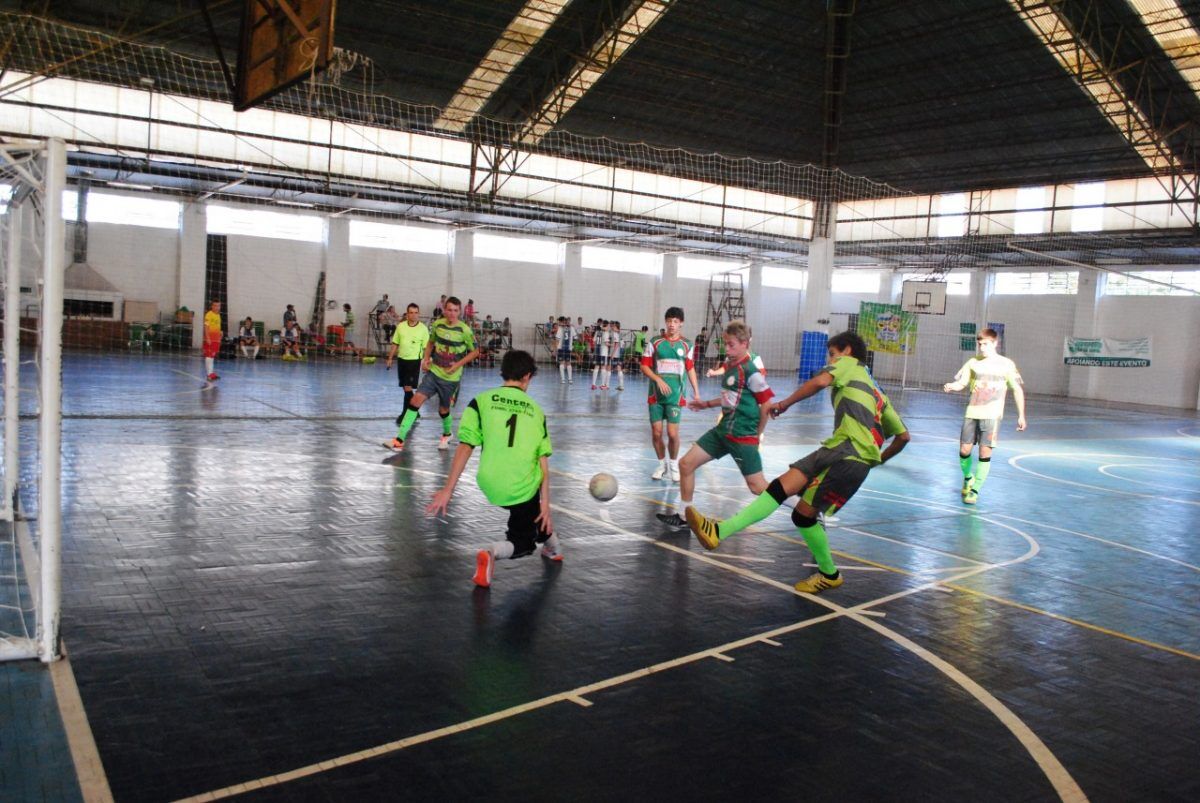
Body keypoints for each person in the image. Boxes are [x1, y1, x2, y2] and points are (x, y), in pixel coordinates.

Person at [686, 331, 910, 594]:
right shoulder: (878, 391)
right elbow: (903, 436)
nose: (831, 360)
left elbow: (819, 382)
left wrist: (785, 403)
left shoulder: (849, 364)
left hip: (847, 452)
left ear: (846, 350)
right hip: (839, 449)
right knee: (782, 489)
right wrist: (876, 461)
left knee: (802, 515)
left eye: (832, 354)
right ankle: (717, 532)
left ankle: (829, 573)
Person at [425, 350, 560, 588]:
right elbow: (543, 464)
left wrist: (448, 490)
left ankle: (554, 549)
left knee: (532, 516)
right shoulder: (537, 411)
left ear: (503, 372)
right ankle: (492, 552)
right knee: (525, 540)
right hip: (521, 487)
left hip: (489, 481)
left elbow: (465, 446)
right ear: (527, 377)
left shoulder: (480, 402)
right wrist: (546, 503)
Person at [657, 321, 772, 528]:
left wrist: (758, 434)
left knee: (757, 486)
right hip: (722, 432)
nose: (726, 349)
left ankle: (806, 508)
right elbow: (731, 398)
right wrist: (706, 404)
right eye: (725, 344)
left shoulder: (751, 371)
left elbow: (767, 405)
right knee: (686, 464)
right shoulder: (730, 366)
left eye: (731, 345)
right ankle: (684, 516)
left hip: (742, 436)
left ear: (745, 343)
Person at [943, 328, 1026, 505]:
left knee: (984, 453)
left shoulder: (1007, 364)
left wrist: (1021, 415)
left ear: (996, 343)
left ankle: (975, 490)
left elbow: (1017, 389)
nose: (982, 348)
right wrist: (952, 386)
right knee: (964, 450)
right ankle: (968, 477)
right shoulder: (973, 362)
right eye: (980, 344)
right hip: (972, 413)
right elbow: (962, 383)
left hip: (992, 415)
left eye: (986, 344)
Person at [386, 296, 478, 456]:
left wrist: (457, 365)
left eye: (456, 310)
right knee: (415, 400)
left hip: (451, 378)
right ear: (444, 310)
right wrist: (426, 358)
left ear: (459, 312)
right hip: (434, 373)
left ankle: (447, 434)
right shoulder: (437, 325)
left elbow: (476, 351)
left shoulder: (465, 330)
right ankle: (399, 440)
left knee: (443, 410)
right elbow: (430, 343)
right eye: (449, 310)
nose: (452, 313)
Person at [641, 307, 701, 481]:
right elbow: (644, 365)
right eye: (669, 321)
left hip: (676, 396)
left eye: (675, 321)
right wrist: (658, 380)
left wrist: (696, 393)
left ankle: (674, 465)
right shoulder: (655, 342)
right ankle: (662, 466)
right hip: (655, 396)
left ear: (681, 323)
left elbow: (690, 368)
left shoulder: (687, 345)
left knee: (673, 434)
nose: (671, 325)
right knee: (656, 433)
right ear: (665, 322)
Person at [386, 302, 430, 423]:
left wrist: (426, 361)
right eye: (411, 313)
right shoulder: (401, 327)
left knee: (407, 387)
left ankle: (405, 414)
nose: (414, 315)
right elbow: (395, 343)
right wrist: (390, 358)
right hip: (402, 360)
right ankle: (415, 411)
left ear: (419, 314)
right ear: (407, 314)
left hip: (414, 361)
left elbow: (427, 347)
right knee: (406, 388)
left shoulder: (423, 329)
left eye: (416, 313)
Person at [203, 300, 222, 381]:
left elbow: (217, 326)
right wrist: (207, 337)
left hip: (216, 339)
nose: (217, 307)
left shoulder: (218, 315)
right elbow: (206, 327)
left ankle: (211, 373)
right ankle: (209, 375)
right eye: (215, 305)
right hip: (210, 338)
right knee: (209, 356)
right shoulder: (209, 315)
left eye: (218, 306)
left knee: (212, 356)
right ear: (212, 306)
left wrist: (220, 334)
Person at [603, 320, 625, 391]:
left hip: (614, 354)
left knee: (608, 368)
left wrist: (612, 354)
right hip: (618, 354)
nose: (612, 327)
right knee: (619, 368)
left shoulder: (615, 334)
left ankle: (607, 385)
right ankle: (621, 386)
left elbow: (616, 345)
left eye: (613, 326)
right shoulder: (618, 333)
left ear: (616, 326)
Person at [554, 316, 575, 384]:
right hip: (568, 348)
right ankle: (570, 379)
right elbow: (576, 337)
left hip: (561, 348)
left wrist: (555, 349)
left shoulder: (560, 328)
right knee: (568, 363)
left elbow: (557, 339)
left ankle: (563, 380)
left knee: (562, 363)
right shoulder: (571, 328)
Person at [591, 320, 610, 390]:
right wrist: (612, 345)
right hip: (603, 352)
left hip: (597, 351)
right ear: (606, 326)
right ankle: (602, 385)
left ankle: (593, 384)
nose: (609, 327)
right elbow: (606, 343)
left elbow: (593, 341)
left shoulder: (597, 332)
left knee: (596, 367)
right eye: (608, 326)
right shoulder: (606, 333)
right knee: (603, 368)